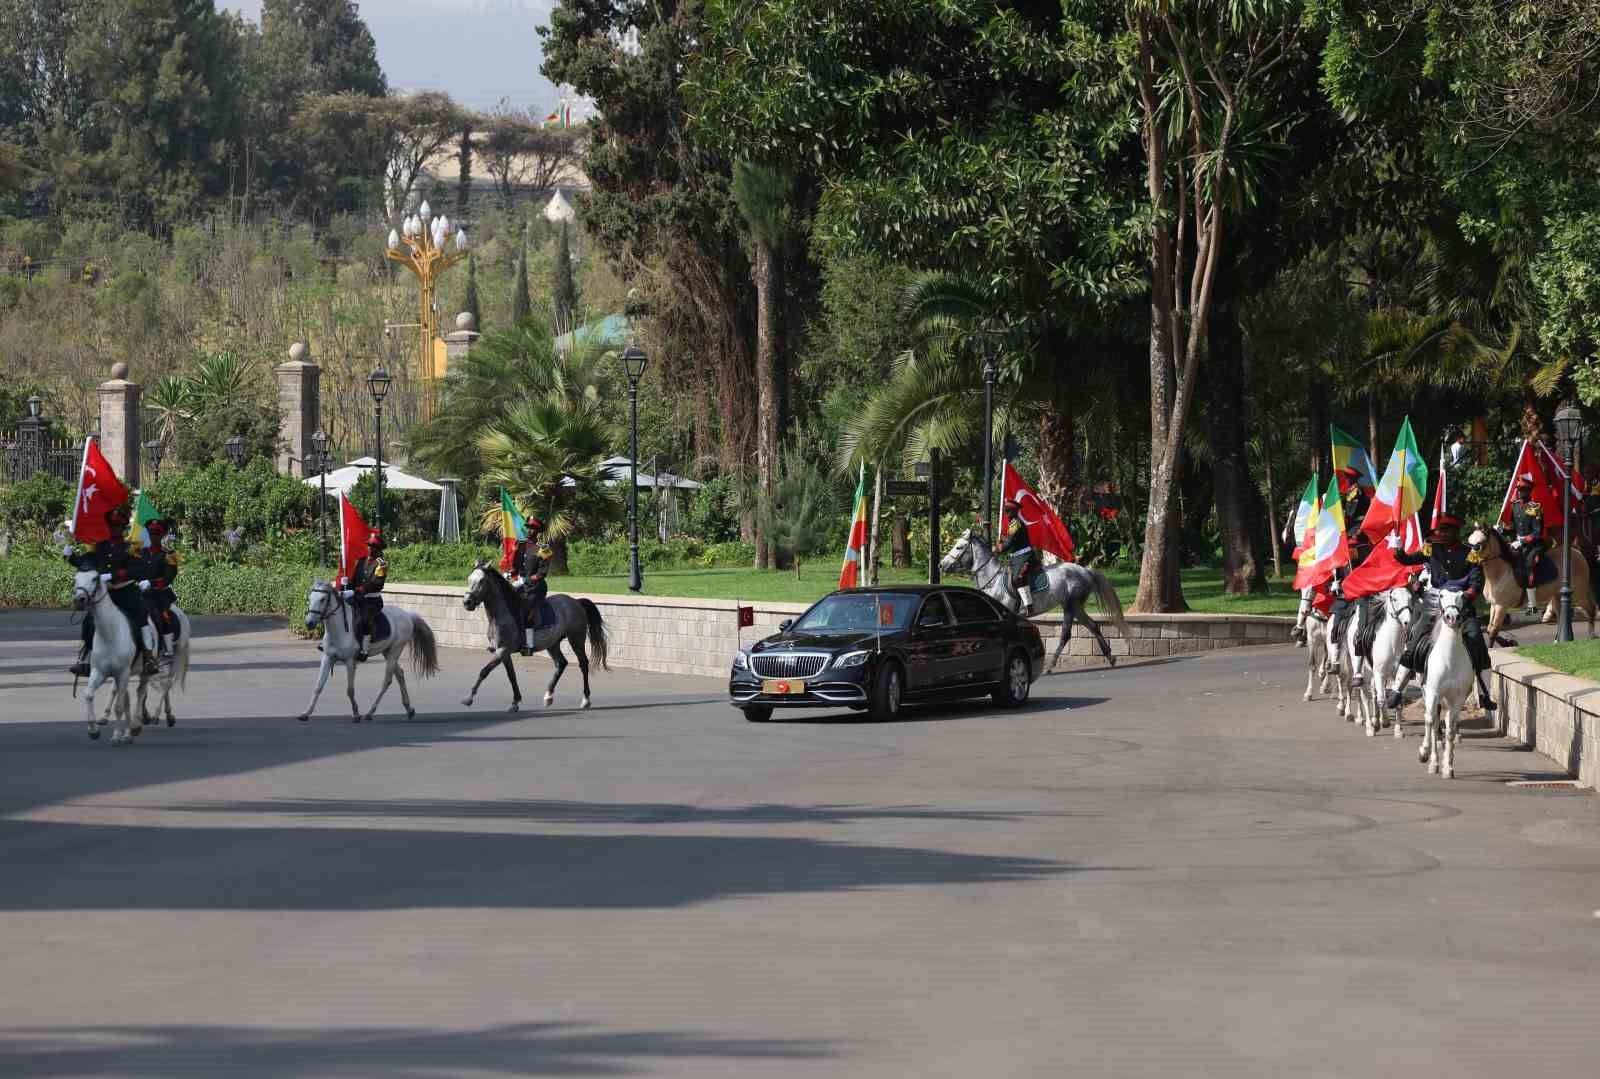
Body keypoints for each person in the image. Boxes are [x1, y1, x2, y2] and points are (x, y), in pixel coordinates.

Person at [1384, 514, 1497, 713]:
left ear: (1456, 533)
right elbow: (1406, 560)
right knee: (1414, 640)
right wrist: (1397, 548)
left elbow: (1476, 583)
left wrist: (1464, 597)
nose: (1442, 534)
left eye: (1446, 531)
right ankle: (1397, 689)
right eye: (1440, 531)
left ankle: (1486, 694)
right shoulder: (1431, 549)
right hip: (1434, 604)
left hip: (1461, 605)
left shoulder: (1470, 554)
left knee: (1478, 642)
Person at [63, 504, 157, 677]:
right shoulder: (100, 546)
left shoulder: (131, 547)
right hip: (105, 594)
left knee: (141, 616)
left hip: (125, 592)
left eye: (118, 526)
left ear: (123, 528)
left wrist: (112, 575)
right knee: (88, 621)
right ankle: (85, 658)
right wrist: (70, 557)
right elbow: (86, 564)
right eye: (112, 526)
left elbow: (136, 571)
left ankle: (149, 657)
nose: (114, 529)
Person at [1325, 531, 1373, 685]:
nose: (1353, 551)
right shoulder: (1341, 559)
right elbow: (1334, 578)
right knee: (1335, 621)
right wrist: (1333, 585)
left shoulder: (1367, 555)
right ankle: (1335, 658)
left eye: (1355, 547)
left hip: (1363, 595)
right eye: (1351, 547)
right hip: (1345, 596)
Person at [132, 518, 181, 659]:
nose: (154, 537)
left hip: (158, 595)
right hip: (138, 593)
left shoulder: (169, 555)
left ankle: (168, 646)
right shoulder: (138, 553)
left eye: (157, 534)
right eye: (151, 533)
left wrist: (151, 584)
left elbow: (168, 577)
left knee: (164, 616)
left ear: (162, 535)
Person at [343, 529, 388, 662]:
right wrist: (346, 584)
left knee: (363, 620)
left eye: (373, 546)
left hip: (371, 601)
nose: (369, 548)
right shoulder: (361, 561)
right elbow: (354, 580)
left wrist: (361, 590)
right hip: (358, 597)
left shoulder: (381, 564)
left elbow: (376, 583)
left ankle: (364, 649)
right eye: (369, 545)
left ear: (379, 549)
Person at [996, 498, 1039, 615]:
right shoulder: (1013, 523)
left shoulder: (1015, 523)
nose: (1006, 513)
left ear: (1014, 511)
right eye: (1006, 510)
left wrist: (1000, 547)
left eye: (1008, 511)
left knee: (1018, 578)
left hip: (1025, 557)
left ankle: (1029, 606)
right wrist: (1003, 541)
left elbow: (1010, 542)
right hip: (1017, 558)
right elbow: (1012, 540)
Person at [513, 532, 552, 656]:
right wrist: (512, 573)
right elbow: (516, 566)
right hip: (522, 585)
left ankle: (529, 645)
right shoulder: (520, 546)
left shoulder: (544, 548)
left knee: (527, 610)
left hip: (537, 587)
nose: (529, 532)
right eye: (528, 528)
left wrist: (528, 579)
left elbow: (542, 573)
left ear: (537, 531)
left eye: (532, 529)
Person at [1508, 472, 1548, 591]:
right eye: (1519, 489)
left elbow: (1537, 532)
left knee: (1529, 562)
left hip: (1534, 545)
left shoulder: (1535, 507)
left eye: (1524, 489)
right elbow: (1513, 527)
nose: (1520, 492)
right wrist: (1501, 529)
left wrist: (1522, 542)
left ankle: (1533, 602)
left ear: (1530, 490)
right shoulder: (1514, 506)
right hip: (1517, 542)